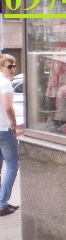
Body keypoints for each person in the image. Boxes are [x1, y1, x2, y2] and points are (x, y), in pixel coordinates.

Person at [0, 54, 19, 216]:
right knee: (12, 166)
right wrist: (14, 124)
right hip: (4, 130)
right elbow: (8, 107)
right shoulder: (5, 83)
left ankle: (2, 200)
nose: (13, 69)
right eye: (9, 66)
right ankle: (2, 204)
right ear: (1, 67)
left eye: (14, 66)